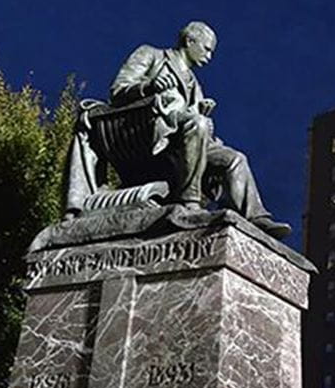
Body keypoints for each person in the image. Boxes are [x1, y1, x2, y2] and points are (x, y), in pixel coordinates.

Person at [66, 21, 291, 239]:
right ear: (190, 41)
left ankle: (253, 217)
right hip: (149, 136)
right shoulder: (151, 55)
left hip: (186, 142)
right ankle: (189, 202)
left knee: (235, 159)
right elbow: (118, 90)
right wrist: (149, 86)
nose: (209, 56)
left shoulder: (194, 84)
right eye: (206, 49)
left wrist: (201, 111)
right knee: (197, 124)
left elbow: (195, 122)